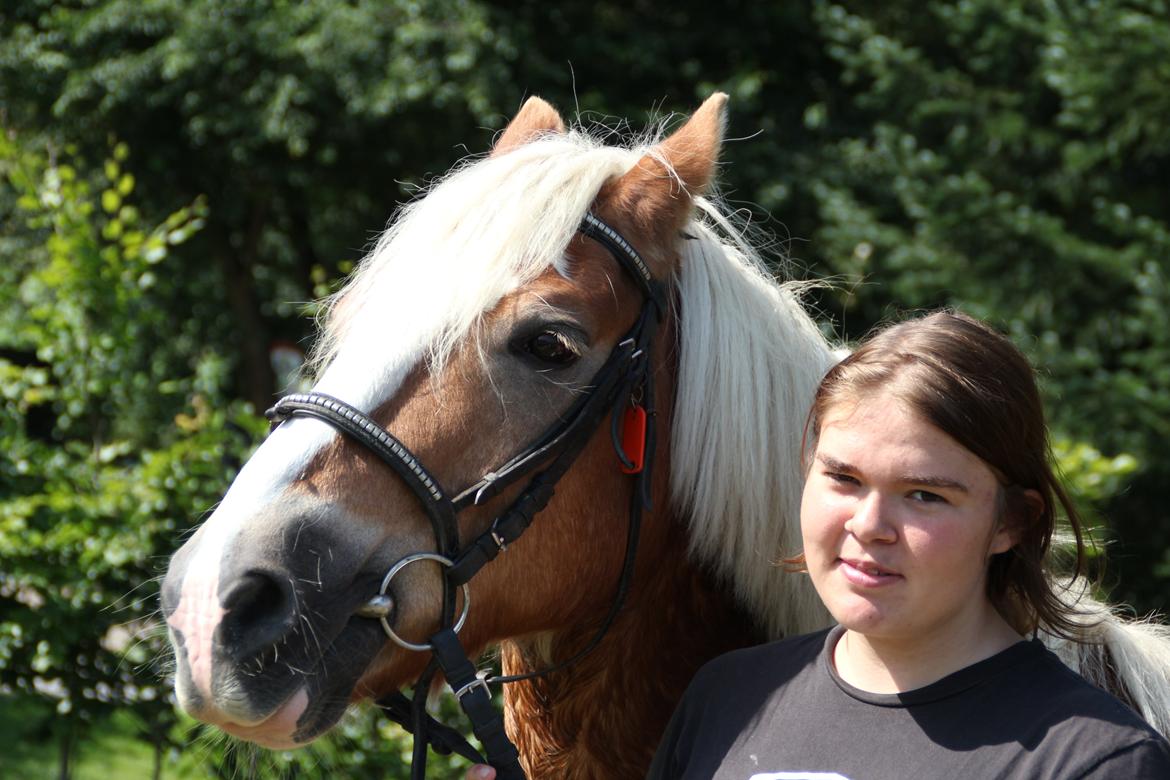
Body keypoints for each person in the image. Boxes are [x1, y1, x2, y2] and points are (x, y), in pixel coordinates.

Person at [468, 311, 1170, 779]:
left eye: (925, 495)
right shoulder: (729, 696)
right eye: (843, 478)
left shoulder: (1093, 759)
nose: (869, 524)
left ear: (1012, 522)